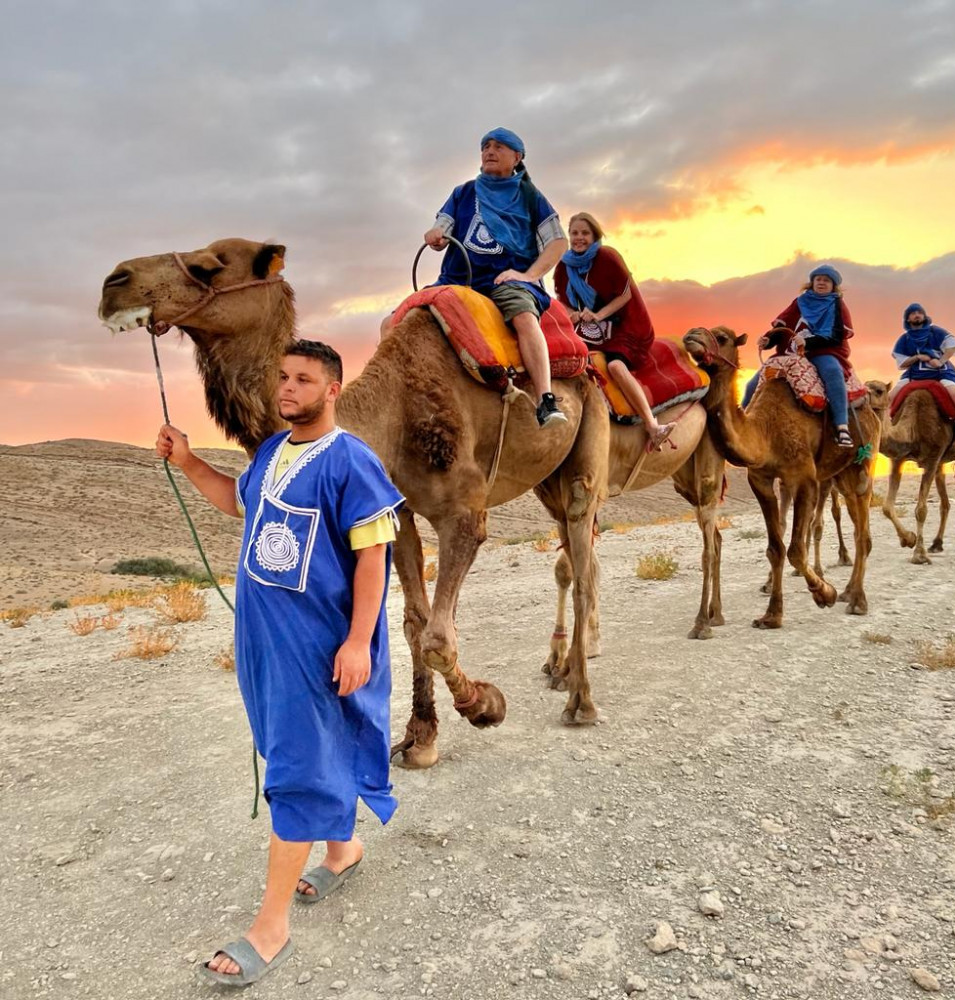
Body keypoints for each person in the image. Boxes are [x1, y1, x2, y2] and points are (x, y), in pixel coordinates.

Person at [156, 340, 404, 988]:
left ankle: (270, 928)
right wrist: (186, 461)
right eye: (283, 377)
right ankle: (343, 849)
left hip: (318, 647)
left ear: (331, 391)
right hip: (264, 644)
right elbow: (234, 503)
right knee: (292, 750)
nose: (287, 388)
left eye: (303, 379)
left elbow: (374, 559)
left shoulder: (352, 463)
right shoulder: (270, 453)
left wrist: (356, 643)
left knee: (295, 771)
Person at [424, 127, 569, 428]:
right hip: (458, 280)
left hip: (506, 281)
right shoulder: (463, 193)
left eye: (499, 147)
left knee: (524, 317)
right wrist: (436, 235)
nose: (490, 151)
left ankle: (546, 399)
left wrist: (528, 275)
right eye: (485, 146)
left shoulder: (531, 197)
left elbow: (558, 243)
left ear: (517, 157)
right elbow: (441, 227)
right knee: (396, 320)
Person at [553, 212, 675, 451]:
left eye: (585, 233)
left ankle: (652, 426)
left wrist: (598, 315)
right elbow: (562, 301)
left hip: (626, 325)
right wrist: (574, 314)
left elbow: (625, 294)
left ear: (594, 235)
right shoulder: (564, 266)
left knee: (615, 367)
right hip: (593, 327)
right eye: (575, 233)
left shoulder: (607, 258)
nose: (579, 238)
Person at [744, 264, 856, 447]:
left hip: (822, 351)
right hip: (790, 352)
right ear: (812, 282)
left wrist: (809, 343)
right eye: (818, 279)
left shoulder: (837, 305)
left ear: (833, 285)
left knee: (833, 372)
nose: (821, 283)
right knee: (753, 383)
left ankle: (842, 427)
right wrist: (768, 341)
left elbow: (836, 336)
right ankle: (744, 422)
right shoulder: (800, 302)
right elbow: (782, 329)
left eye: (826, 280)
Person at [890, 303, 955, 447]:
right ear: (908, 318)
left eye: (919, 312)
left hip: (941, 372)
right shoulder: (905, 339)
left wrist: (941, 361)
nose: (917, 315)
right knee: (889, 397)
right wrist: (917, 358)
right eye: (913, 313)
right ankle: (884, 431)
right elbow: (901, 363)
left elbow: (952, 346)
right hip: (914, 373)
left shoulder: (935, 331)